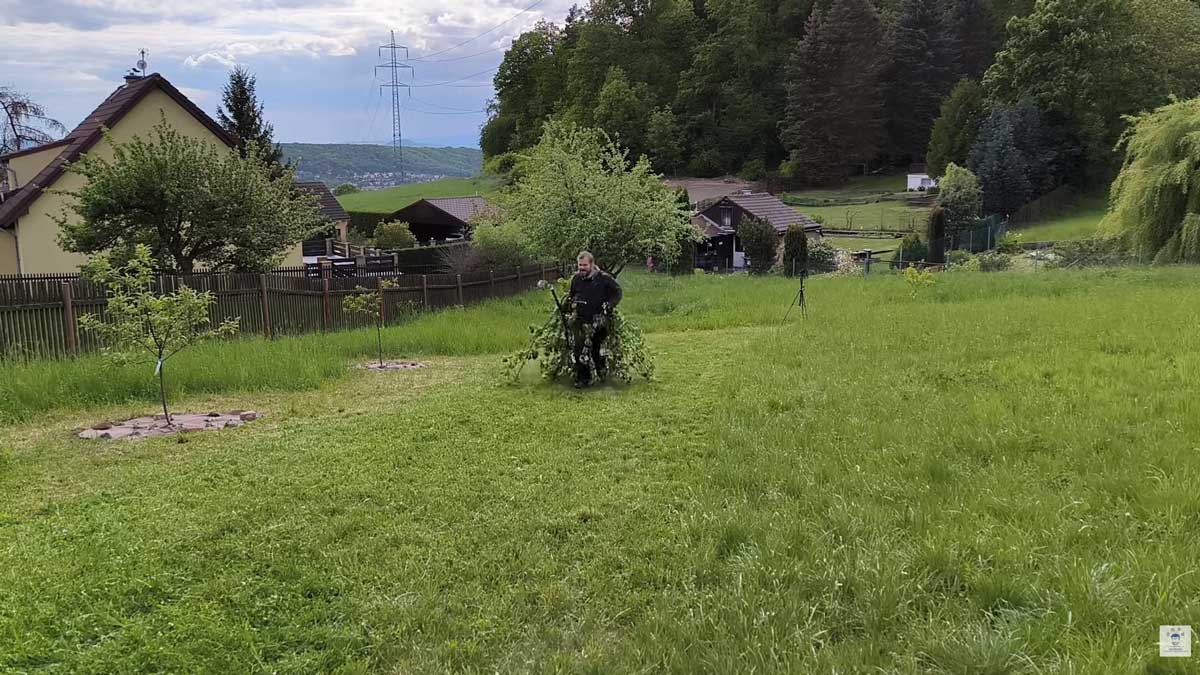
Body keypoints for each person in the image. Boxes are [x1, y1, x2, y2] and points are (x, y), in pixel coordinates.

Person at [567, 251, 622, 388]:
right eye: (580, 265)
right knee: (579, 348)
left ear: (591, 264)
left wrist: (609, 305)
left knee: (595, 348)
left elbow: (617, 292)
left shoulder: (603, 278)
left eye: (584, 265)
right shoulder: (576, 280)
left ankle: (601, 371)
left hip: (599, 320)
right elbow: (572, 295)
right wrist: (572, 304)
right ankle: (583, 379)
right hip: (580, 319)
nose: (582, 268)